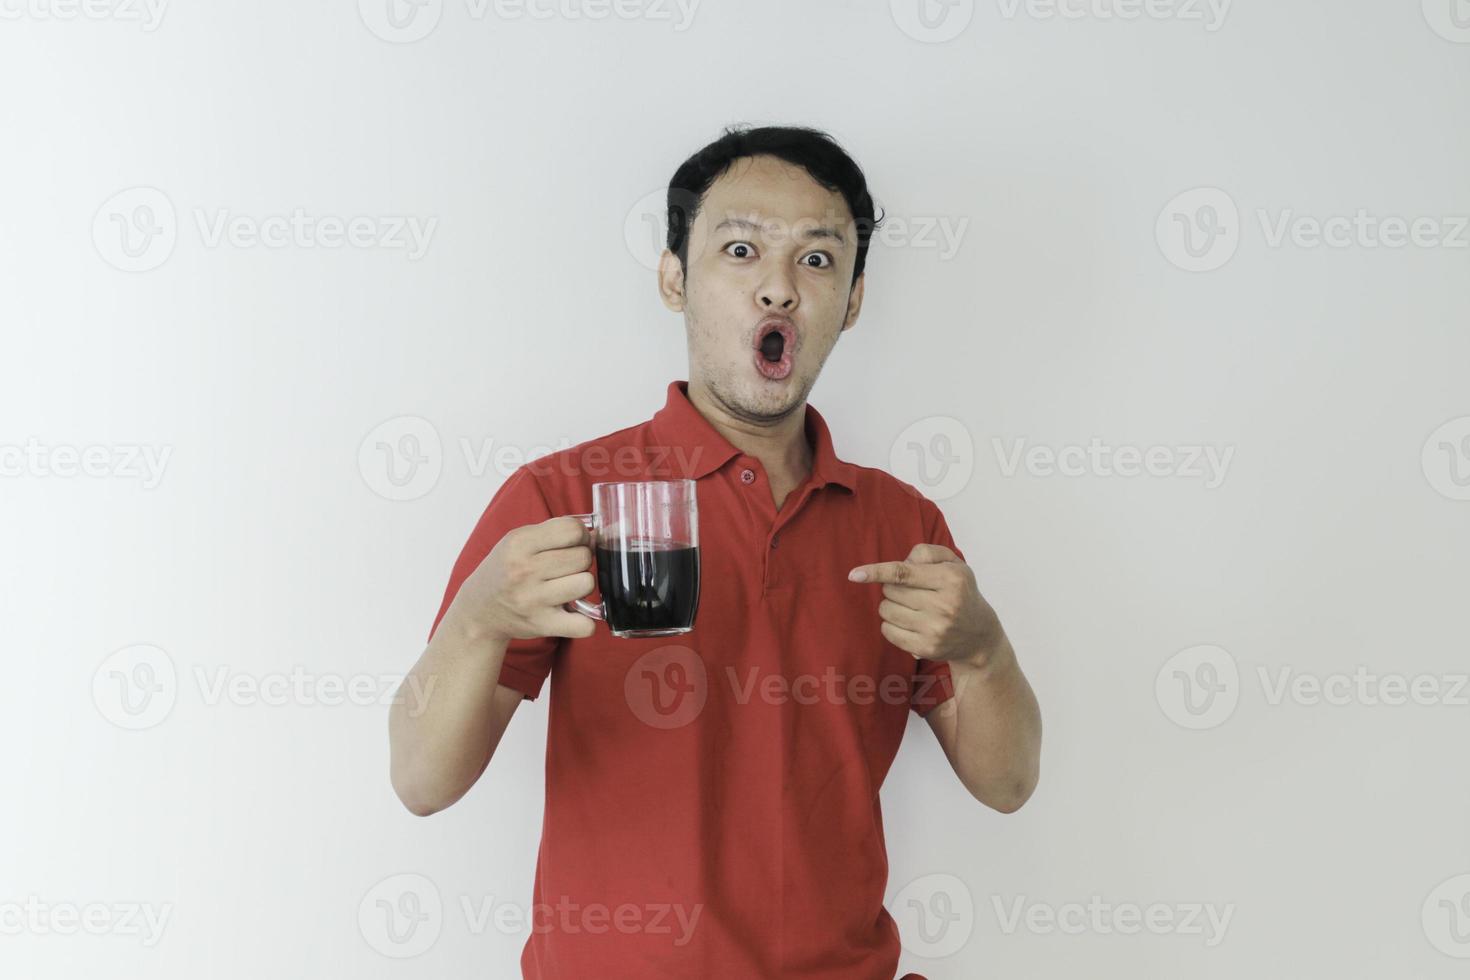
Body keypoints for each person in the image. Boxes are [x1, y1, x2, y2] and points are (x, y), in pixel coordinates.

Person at [388, 124, 1043, 979]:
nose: (779, 288)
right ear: (675, 279)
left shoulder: (902, 525)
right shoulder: (560, 499)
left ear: (851, 301)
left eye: (816, 260)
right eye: (741, 250)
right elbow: (421, 782)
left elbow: (1008, 785)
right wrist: (478, 620)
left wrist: (984, 650)